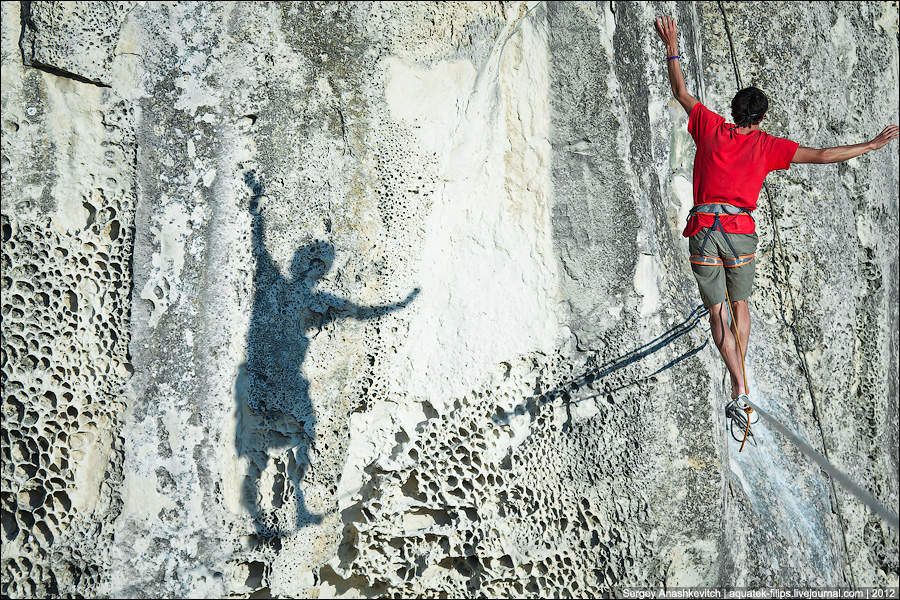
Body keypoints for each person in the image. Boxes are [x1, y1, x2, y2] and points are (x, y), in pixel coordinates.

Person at [653, 15, 898, 410]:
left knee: (717, 313)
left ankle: (738, 382)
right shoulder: (769, 146)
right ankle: (741, 380)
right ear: (762, 118)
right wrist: (869, 146)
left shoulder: (710, 126)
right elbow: (822, 156)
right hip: (739, 231)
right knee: (740, 305)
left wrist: (672, 45)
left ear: (733, 114)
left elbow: (680, 89)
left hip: (703, 228)